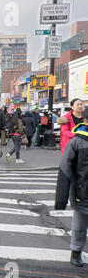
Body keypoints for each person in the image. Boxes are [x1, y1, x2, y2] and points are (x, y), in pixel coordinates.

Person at [55, 107, 88, 267]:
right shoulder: (77, 141)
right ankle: (76, 252)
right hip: (82, 192)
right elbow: (65, 170)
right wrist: (60, 201)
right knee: (80, 225)